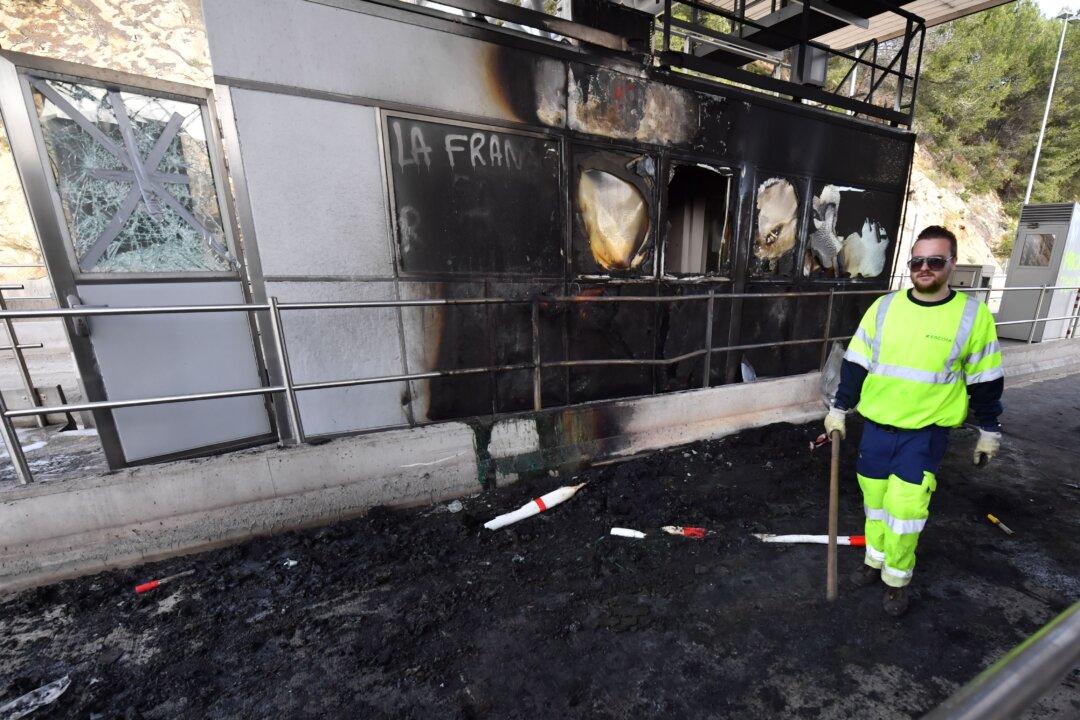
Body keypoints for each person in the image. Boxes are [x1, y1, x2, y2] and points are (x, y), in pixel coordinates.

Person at [824, 226, 1003, 617]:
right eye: (917, 261)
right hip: (876, 431)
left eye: (935, 261)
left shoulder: (972, 317)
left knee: (904, 512)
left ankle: (896, 580)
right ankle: (874, 561)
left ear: (952, 264)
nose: (924, 268)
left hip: (923, 436)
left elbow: (986, 379)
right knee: (875, 504)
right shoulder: (884, 308)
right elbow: (855, 365)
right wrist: (839, 410)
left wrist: (989, 430)